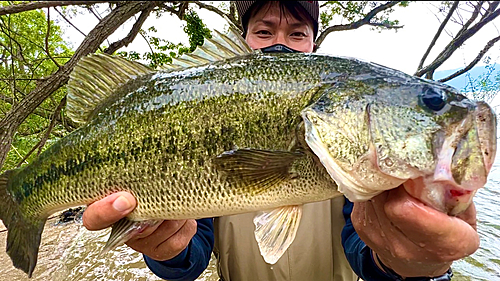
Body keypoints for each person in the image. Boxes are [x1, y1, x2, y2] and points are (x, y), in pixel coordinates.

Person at [82, 1, 479, 280]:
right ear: (244, 38)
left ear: (313, 45)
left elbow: (368, 257)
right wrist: (165, 248)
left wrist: (414, 264)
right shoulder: (209, 104)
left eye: (297, 33)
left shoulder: (360, 167)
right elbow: (191, 256)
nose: (279, 43)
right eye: (264, 30)